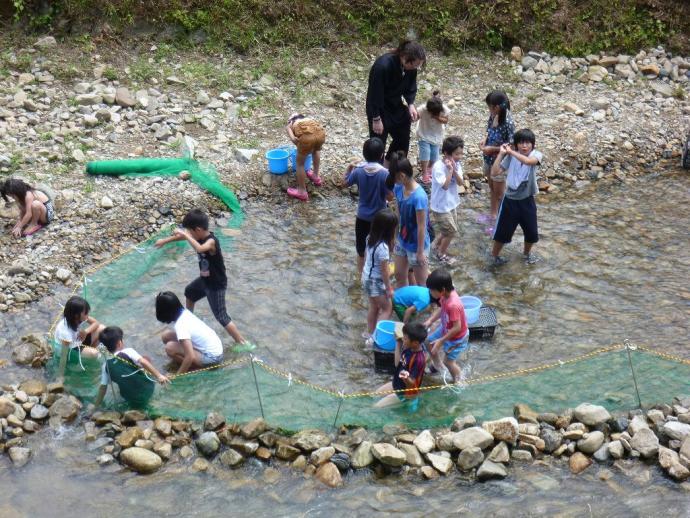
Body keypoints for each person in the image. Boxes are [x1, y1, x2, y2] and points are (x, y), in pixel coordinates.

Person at [154, 209, 252, 349]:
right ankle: (190, 319)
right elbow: (184, 237)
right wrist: (165, 240)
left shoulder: (211, 241)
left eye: (190, 231)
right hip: (204, 280)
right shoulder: (197, 236)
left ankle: (243, 343)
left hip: (216, 285)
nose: (189, 234)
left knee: (221, 316)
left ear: (198, 229)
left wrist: (186, 236)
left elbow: (200, 249)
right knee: (189, 292)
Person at [366, 40, 426, 165]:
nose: (416, 67)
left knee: (403, 136)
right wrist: (376, 118)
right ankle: (375, 171)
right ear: (404, 57)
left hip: (395, 104)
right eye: (415, 64)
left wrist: (410, 104)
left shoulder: (410, 68)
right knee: (378, 143)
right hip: (378, 107)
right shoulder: (383, 66)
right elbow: (374, 93)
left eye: (418, 65)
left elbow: (410, 86)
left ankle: (391, 165)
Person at [490, 129, 543, 265]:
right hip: (510, 201)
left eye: (527, 143)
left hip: (527, 200)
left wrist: (511, 151)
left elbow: (528, 161)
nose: (524, 146)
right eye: (521, 143)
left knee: (531, 233)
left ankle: (526, 255)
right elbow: (495, 172)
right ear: (517, 144)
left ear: (532, 144)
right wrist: (501, 154)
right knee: (502, 233)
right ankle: (494, 256)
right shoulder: (511, 156)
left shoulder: (536, 155)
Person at [343, 137, 394, 273]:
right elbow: (390, 196)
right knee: (383, 246)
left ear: (364, 154)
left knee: (361, 250)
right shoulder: (385, 173)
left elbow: (345, 183)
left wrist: (349, 168)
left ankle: (360, 277)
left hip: (362, 216)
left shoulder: (358, 170)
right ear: (382, 155)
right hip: (380, 217)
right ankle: (383, 273)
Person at [92, 326, 169, 410]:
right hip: (147, 389)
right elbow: (143, 362)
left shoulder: (105, 366)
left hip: (129, 398)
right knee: (146, 359)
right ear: (119, 343)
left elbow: (103, 387)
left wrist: (96, 405)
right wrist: (159, 375)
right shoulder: (128, 351)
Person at [388, 151, 430, 288]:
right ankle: (403, 304)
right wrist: (394, 237)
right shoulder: (399, 188)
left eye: (395, 178)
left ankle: (426, 308)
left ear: (402, 176)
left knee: (422, 283)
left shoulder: (419, 197)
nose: (394, 182)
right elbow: (398, 214)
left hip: (417, 244)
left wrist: (420, 252)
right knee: (399, 275)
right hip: (403, 239)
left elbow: (422, 226)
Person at [155, 291, 224, 374]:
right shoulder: (185, 313)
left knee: (170, 348)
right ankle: (185, 363)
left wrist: (177, 376)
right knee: (165, 336)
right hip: (216, 349)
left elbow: (190, 356)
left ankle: (193, 368)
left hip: (212, 358)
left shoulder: (180, 326)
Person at [423, 268, 469, 383]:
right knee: (428, 341)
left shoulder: (453, 305)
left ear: (442, 289)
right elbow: (441, 309)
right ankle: (438, 366)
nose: (431, 293)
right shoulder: (445, 296)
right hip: (445, 329)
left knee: (448, 362)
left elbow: (457, 328)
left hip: (457, 338)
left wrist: (441, 341)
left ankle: (459, 381)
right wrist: (430, 321)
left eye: (432, 290)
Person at [479, 91, 515, 231]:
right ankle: (493, 216)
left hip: (500, 161)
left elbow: (511, 145)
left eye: (489, 107)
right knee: (492, 188)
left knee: (500, 194)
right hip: (488, 158)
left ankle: (501, 223)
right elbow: (488, 130)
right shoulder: (493, 115)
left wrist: (492, 149)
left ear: (497, 107)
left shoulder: (508, 122)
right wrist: (484, 139)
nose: (489, 110)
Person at [362, 208, 398, 342]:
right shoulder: (383, 248)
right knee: (388, 308)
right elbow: (384, 272)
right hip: (375, 281)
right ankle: (374, 338)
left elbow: (366, 258)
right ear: (389, 230)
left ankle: (369, 332)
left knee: (374, 306)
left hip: (366, 277)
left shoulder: (370, 238)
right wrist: (389, 289)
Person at [374, 321, 427, 408]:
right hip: (397, 384)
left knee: (375, 407)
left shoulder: (418, 360)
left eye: (405, 338)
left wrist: (406, 378)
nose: (403, 339)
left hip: (404, 393)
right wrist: (398, 343)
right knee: (374, 395)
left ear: (415, 343)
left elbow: (412, 383)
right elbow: (397, 364)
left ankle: (408, 402)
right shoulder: (408, 348)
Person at [430, 136, 464, 265]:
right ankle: (441, 254)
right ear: (446, 153)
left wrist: (454, 170)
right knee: (451, 231)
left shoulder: (458, 164)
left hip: (452, 203)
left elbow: (460, 182)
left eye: (461, 153)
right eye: (456, 154)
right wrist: (449, 171)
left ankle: (434, 246)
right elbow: (444, 186)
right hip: (440, 206)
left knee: (449, 229)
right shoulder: (438, 167)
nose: (459, 156)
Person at [54, 295, 105, 380]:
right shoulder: (65, 332)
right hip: (70, 351)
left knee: (102, 329)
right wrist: (60, 376)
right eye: (86, 313)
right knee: (94, 353)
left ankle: (88, 352)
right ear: (76, 315)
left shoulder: (78, 318)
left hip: (78, 341)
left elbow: (96, 323)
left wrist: (86, 332)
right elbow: (63, 355)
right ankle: (82, 360)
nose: (87, 315)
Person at [285, 113, 326, 202]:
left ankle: (302, 191)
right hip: (320, 132)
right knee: (316, 150)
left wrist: (299, 145)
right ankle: (315, 176)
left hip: (307, 137)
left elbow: (294, 139)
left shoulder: (290, 123)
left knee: (300, 163)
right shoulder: (307, 119)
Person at [416, 90, 450, 184]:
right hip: (423, 132)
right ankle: (424, 173)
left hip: (436, 135)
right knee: (425, 153)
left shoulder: (443, 109)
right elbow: (417, 116)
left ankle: (430, 169)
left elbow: (446, 120)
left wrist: (436, 117)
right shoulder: (424, 108)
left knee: (434, 155)